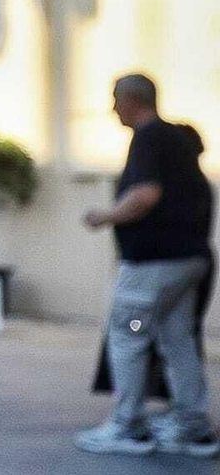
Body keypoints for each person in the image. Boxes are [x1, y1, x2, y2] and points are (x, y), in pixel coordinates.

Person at [76, 73, 217, 457]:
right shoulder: (176, 140)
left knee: (130, 333)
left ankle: (128, 426)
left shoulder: (149, 137)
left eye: (115, 100)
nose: (112, 109)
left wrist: (106, 216)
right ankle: (193, 426)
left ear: (131, 100)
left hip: (153, 267)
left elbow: (145, 195)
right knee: (176, 338)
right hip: (185, 264)